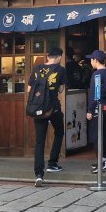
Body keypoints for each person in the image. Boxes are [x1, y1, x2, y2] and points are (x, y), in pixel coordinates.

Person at [29, 46, 66, 186]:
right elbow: (61, 89)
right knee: (59, 132)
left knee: (40, 141)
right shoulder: (60, 70)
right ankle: (52, 163)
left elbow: (29, 88)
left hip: (38, 109)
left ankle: (39, 174)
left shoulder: (37, 68)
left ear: (48, 56)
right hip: (53, 108)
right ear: (57, 57)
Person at [85, 49, 106, 172]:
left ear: (95, 60)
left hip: (99, 108)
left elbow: (95, 94)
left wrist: (90, 110)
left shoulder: (97, 74)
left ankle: (100, 162)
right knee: (105, 135)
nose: (90, 61)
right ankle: (104, 160)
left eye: (91, 59)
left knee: (97, 136)